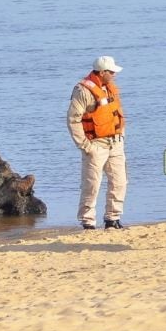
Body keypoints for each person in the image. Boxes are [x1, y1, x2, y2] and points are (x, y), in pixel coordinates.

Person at [67, 56, 128, 229]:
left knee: (120, 181)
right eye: (112, 72)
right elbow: (73, 120)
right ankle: (88, 221)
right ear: (102, 72)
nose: (115, 74)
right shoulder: (83, 91)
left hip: (116, 143)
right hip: (96, 144)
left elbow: (116, 113)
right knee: (92, 184)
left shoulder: (110, 88)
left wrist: (121, 135)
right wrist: (86, 146)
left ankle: (112, 218)